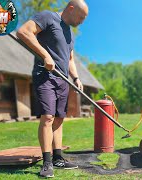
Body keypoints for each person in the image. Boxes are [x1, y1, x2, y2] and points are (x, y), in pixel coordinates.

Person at [16, 0, 88, 178]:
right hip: (45, 75)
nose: (82, 21)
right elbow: (23, 32)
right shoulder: (47, 17)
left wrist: (76, 77)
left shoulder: (69, 34)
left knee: (59, 119)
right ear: (71, 9)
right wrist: (45, 55)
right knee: (48, 117)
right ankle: (47, 162)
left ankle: (58, 158)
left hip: (63, 80)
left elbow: (70, 59)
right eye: (81, 17)